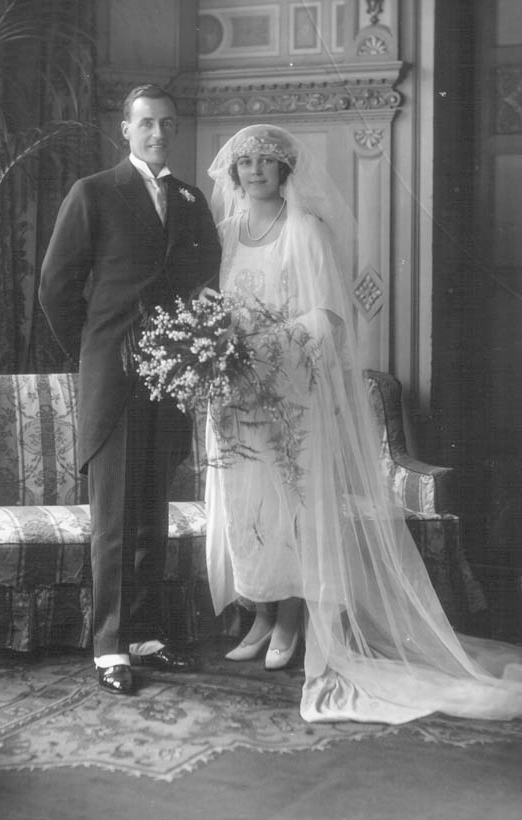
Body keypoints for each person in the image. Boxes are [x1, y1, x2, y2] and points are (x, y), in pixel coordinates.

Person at [205, 123, 522, 723]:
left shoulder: (305, 231)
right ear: (233, 173)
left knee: (291, 506)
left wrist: (268, 345)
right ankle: (261, 613)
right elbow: (210, 308)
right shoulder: (224, 234)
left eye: (266, 163)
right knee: (247, 506)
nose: (254, 172)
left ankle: (293, 620)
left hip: (291, 394)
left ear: (285, 172)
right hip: (236, 398)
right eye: (245, 163)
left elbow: (329, 317)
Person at [39, 84, 221, 695]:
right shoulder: (93, 192)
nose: (159, 134)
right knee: (114, 515)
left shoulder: (191, 201)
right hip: (113, 376)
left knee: (150, 512)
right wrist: (96, 350)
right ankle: (110, 646)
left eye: (169, 124)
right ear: (125, 129)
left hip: (167, 379)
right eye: (147, 123)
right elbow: (56, 287)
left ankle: (143, 632)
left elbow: (205, 279)